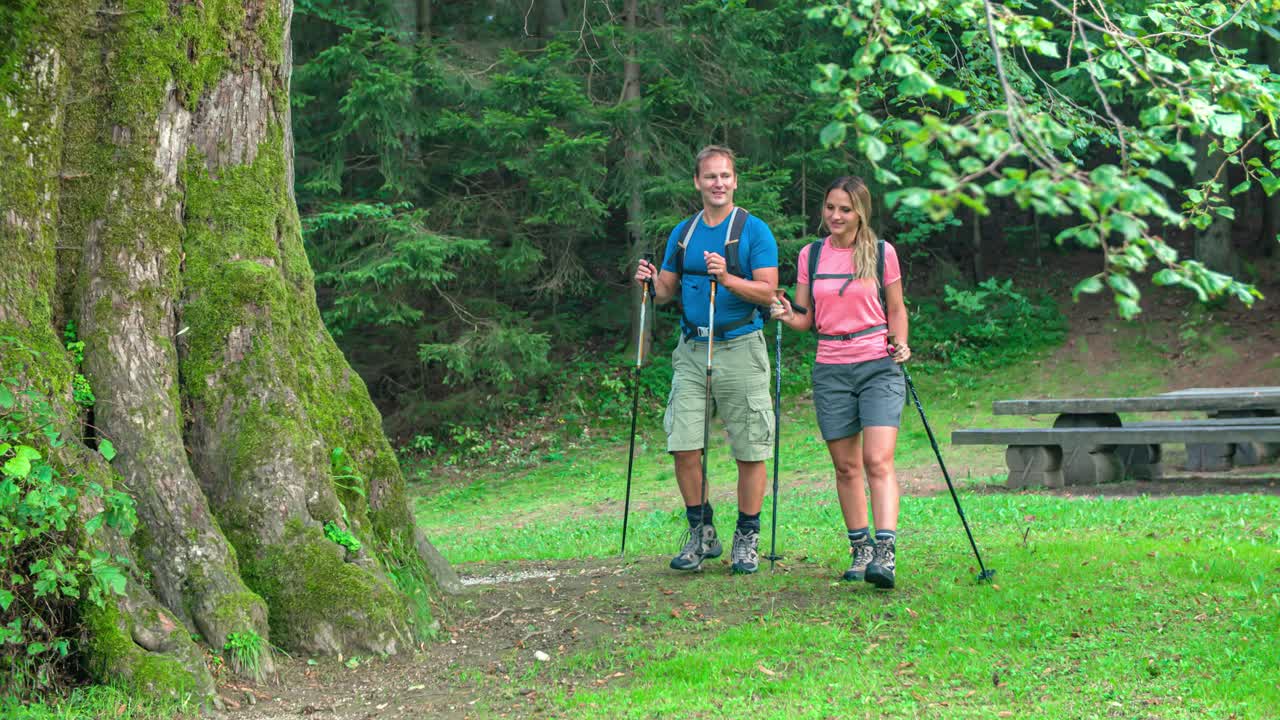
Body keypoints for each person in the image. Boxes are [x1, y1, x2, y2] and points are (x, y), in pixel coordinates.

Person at [633, 145, 779, 574]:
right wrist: (648, 282)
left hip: (740, 347)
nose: (719, 184)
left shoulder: (753, 231)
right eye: (710, 177)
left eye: (726, 176)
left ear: (735, 181)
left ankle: (747, 537)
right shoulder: (685, 232)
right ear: (697, 182)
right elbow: (664, 291)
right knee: (683, 445)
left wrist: (727, 278)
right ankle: (702, 532)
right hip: (692, 350)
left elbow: (769, 292)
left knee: (750, 449)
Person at [770, 175, 911, 589]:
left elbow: (897, 309)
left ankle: (885, 554)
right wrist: (784, 313)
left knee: (877, 459)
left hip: (877, 364)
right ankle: (860, 548)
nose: (835, 215)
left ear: (860, 212)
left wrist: (900, 344)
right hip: (831, 366)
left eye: (845, 209)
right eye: (830, 207)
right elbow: (804, 318)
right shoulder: (810, 256)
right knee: (846, 466)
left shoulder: (882, 252)